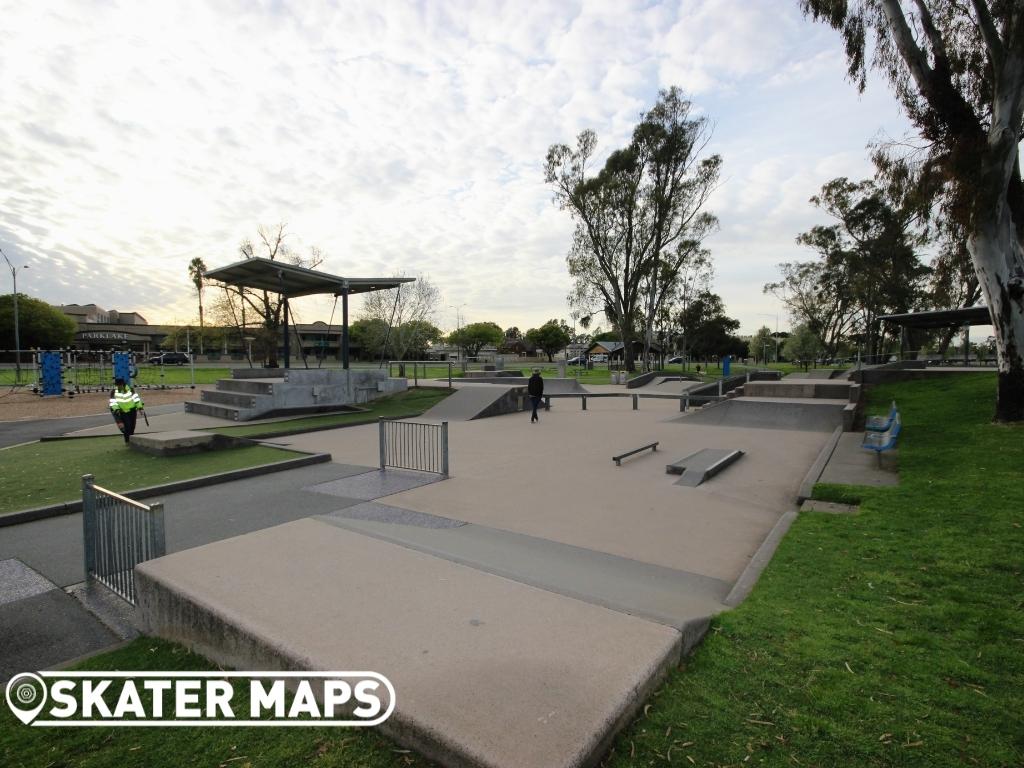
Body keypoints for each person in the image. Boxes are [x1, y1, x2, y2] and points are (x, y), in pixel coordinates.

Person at [109, 377, 144, 445]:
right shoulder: (113, 392)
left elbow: (136, 399)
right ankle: (127, 441)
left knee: (132, 427)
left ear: (123, 384)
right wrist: (116, 410)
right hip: (123, 412)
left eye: (120, 385)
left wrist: (140, 408)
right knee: (127, 428)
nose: (118, 386)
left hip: (132, 411)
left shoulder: (130, 390)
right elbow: (113, 402)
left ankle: (131, 441)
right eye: (117, 385)